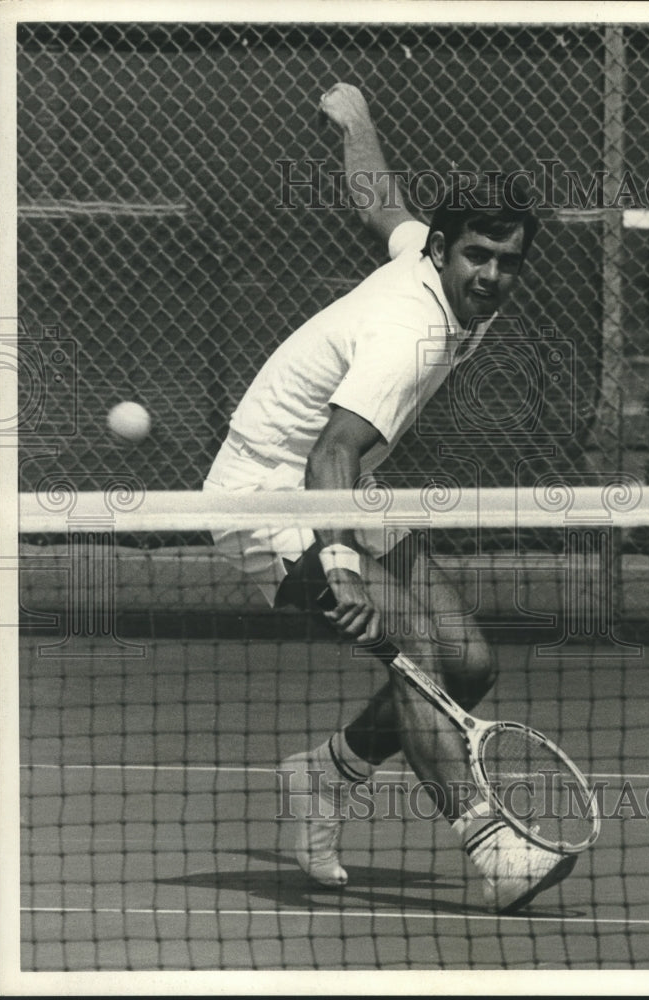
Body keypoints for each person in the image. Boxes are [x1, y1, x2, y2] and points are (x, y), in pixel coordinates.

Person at [203, 82, 576, 912]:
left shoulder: (431, 262)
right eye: (478, 255)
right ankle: (492, 847)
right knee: (410, 639)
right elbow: (329, 454)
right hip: (267, 496)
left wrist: (356, 119)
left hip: (341, 482)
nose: (492, 275)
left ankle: (325, 774)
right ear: (444, 252)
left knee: (468, 663)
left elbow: (380, 201)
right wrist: (338, 568)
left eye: (509, 261)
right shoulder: (406, 335)